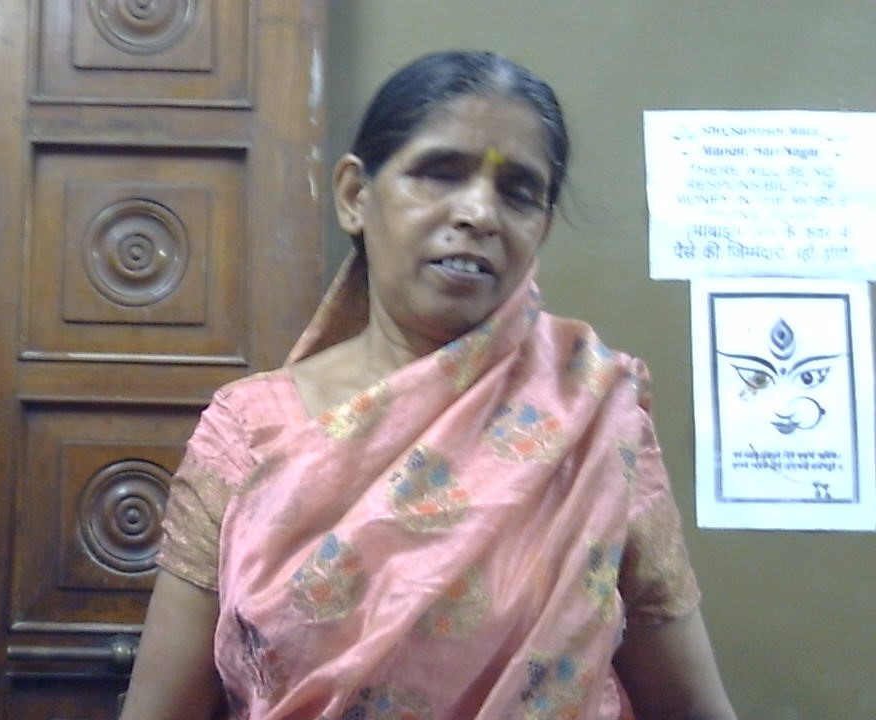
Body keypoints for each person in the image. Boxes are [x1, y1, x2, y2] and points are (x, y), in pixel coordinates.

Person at [119, 50, 738, 720]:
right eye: (440, 173)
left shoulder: (591, 415)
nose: (479, 212)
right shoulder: (250, 432)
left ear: (542, 227)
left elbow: (689, 705)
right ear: (354, 196)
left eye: (518, 191)